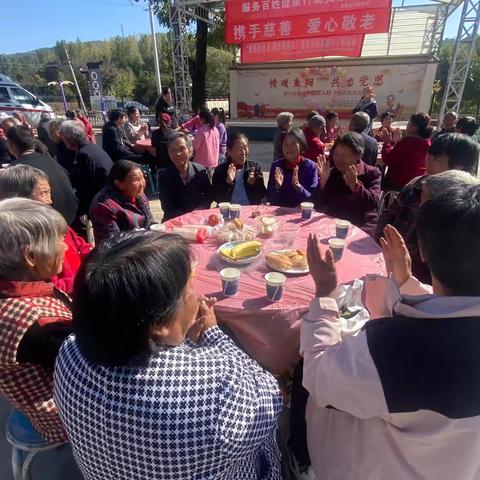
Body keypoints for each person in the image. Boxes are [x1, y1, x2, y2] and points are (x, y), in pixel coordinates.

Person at [54, 231, 282, 479]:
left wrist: (185, 344)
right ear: (158, 325)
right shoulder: (216, 390)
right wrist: (214, 335)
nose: (196, 296)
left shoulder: (69, 352)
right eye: (189, 287)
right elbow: (271, 398)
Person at [301, 184, 480, 480]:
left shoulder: (398, 345)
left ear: (422, 249)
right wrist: (404, 281)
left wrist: (325, 296)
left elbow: (319, 375)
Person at [0, 198, 71, 443]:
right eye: (59, 240)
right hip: (61, 418)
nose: (66, 248)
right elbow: (95, 367)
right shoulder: (39, 323)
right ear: (30, 255)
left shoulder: (17, 288)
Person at [375, 133, 480, 282]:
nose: (428, 162)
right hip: (389, 264)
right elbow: (389, 214)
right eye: (429, 156)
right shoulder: (417, 183)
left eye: (436, 159)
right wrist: (379, 245)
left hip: (427, 284)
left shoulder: (466, 205)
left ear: (459, 166)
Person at [0, 165, 92, 293]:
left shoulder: (53, 222)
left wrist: (97, 259)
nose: (50, 201)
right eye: (43, 193)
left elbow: (81, 246)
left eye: (49, 192)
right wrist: (89, 278)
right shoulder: (21, 240)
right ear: (21, 198)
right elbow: (49, 287)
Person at [6, 125, 78, 225]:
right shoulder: (50, 160)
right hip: (69, 217)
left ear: (11, 145)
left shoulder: (15, 172)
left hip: (47, 226)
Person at [315, 132, 381, 236]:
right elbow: (319, 204)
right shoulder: (332, 172)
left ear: (358, 155)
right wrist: (323, 182)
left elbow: (373, 204)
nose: (340, 159)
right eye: (336, 154)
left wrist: (356, 187)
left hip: (361, 226)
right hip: (333, 224)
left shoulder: (371, 173)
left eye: (345, 155)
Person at [89, 160, 154, 243]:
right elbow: (112, 241)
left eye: (142, 178)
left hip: (145, 242)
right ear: (119, 184)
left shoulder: (138, 194)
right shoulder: (103, 206)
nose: (142, 184)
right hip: (122, 251)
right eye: (136, 180)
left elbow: (149, 222)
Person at [60, 121, 113, 216]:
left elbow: (85, 186)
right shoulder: (91, 146)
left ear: (69, 138)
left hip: (103, 199)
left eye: (63, 137)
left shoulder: (83, 154)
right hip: (107, 192)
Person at [158, 132, 212, 221]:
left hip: (198, 218)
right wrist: (187, 218)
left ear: (190, 150)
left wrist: (198, 211)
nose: (177, 154)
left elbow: (208, 196)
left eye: (181, 149)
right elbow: (168, 207)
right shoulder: (165, 176)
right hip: (175, 220)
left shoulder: (199, 170)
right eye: (173, 150)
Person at [380, 112, 433, 190]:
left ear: (414, 127)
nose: (407, 126)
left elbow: (386, 159)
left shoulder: (408, 142)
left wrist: (386, 143)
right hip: (417, 183)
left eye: (409, 123)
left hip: (399, 183)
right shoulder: (427, 142)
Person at [267, 129, 318, 208]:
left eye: (293, 143)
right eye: (286, 144)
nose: (289, 147)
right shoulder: (276, 166)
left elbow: (313, 199)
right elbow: (270, 198)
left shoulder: (311, 166)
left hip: (301, 214)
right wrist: (277, 186)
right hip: (279, 214)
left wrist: (298, 187)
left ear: (301, 145)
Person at [212, 132, 266, 205]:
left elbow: (262, 195)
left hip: (250, 210)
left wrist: (253, 183)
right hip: (229, 211)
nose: (243, 153)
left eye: (245, 148)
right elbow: (217, 198)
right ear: (229, 151)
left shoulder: (254, 167)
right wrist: (228, 182)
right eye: (239, 149)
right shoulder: (221, 170)